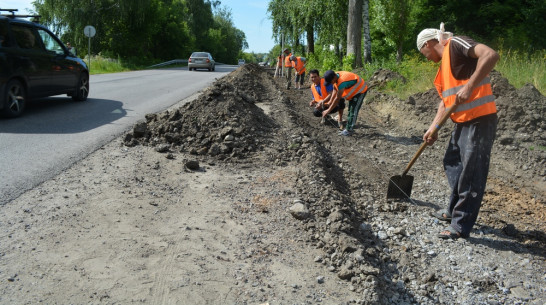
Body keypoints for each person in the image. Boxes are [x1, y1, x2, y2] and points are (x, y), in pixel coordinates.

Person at [417, 23, 499, 239]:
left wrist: (470, 86)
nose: (423, 57)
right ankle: (454, 210)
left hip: (480, 120)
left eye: (422, 52)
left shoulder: (455, 45)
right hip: (462, 122)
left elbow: (490, 55)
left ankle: (460, 226)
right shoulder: (442, 71)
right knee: (452, 162)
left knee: (471, 174)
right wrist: (433, 128)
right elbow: (445, 103)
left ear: (427, 43)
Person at [321, 70, 368, 136]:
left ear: (334, 78)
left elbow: (337, 98)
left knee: (353, 110)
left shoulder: (342, 82)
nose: (330, 83)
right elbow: (335, 88)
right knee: (350, 110)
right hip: (354, 92)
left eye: (330, 82)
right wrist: (330, 102)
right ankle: (349, 126)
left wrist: (328, 111)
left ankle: (349, 130)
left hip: (360, 91)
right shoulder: (336, 76)